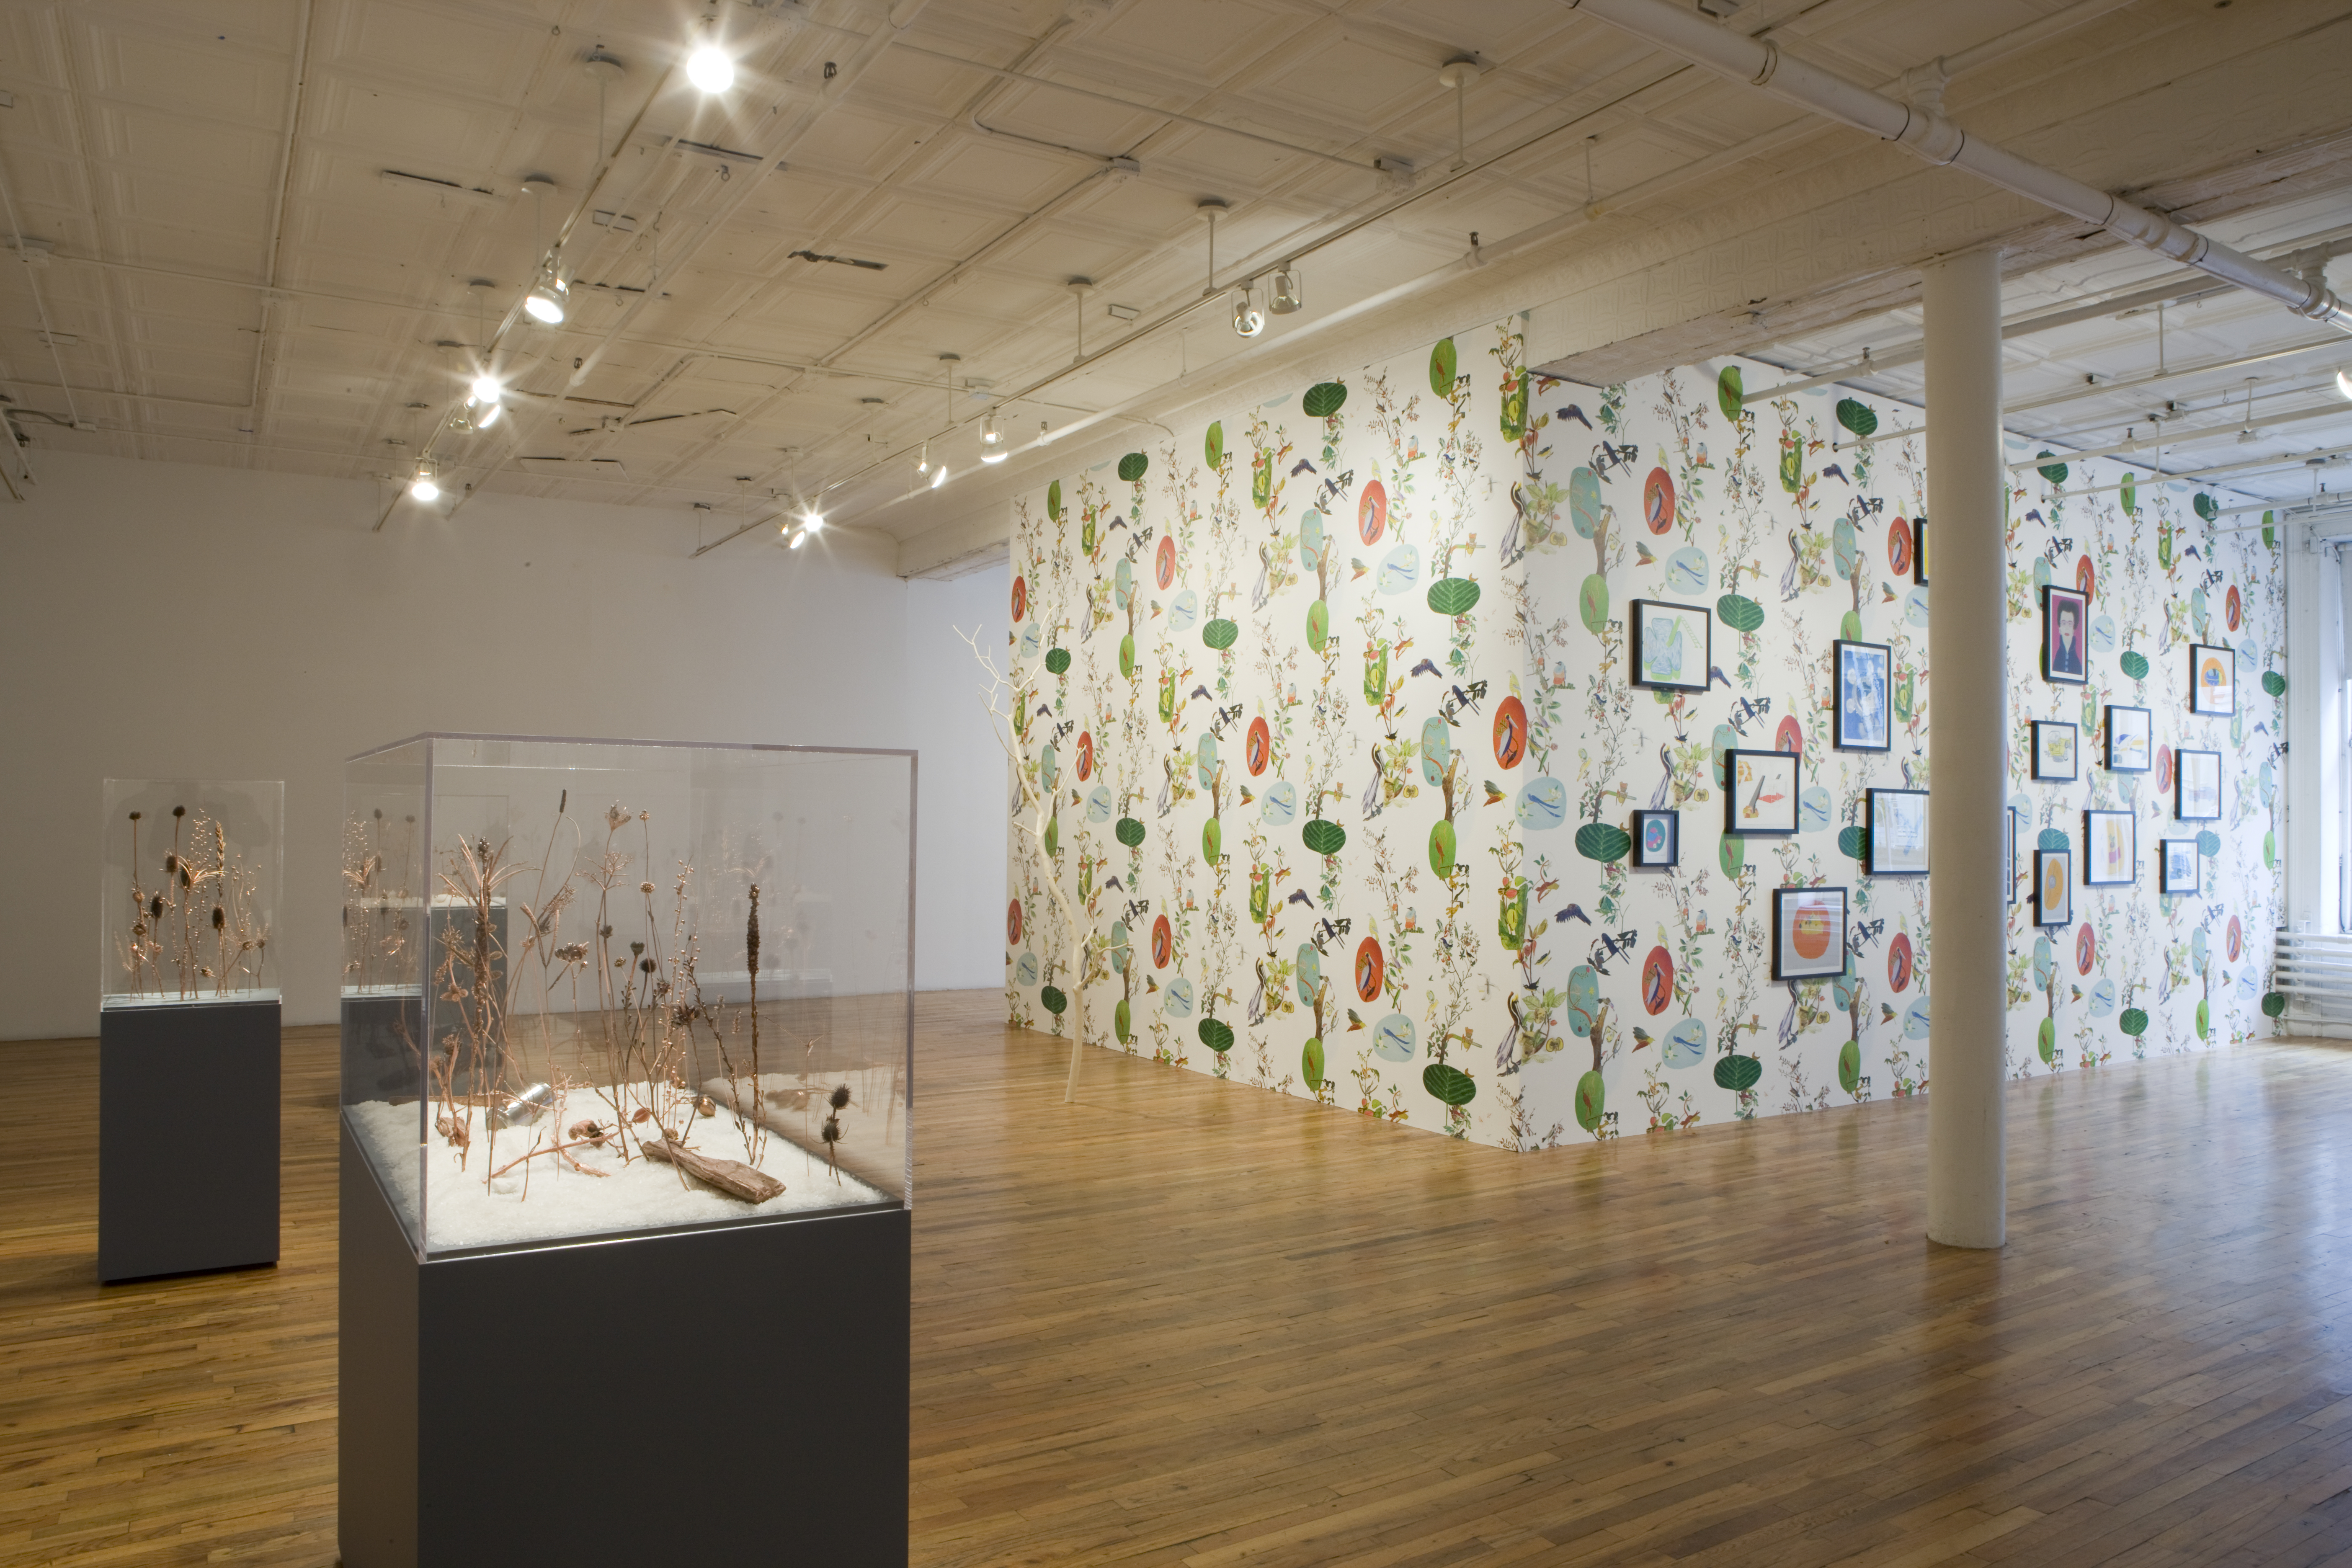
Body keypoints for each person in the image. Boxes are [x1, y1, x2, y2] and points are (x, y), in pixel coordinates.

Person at [2050, 600, 2084, 677]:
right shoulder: (2057, 659)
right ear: (2060, 628)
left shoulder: (2078, 663)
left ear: (2074, 628)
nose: (2067, 628)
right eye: (2064, 623)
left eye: (2070, 624)